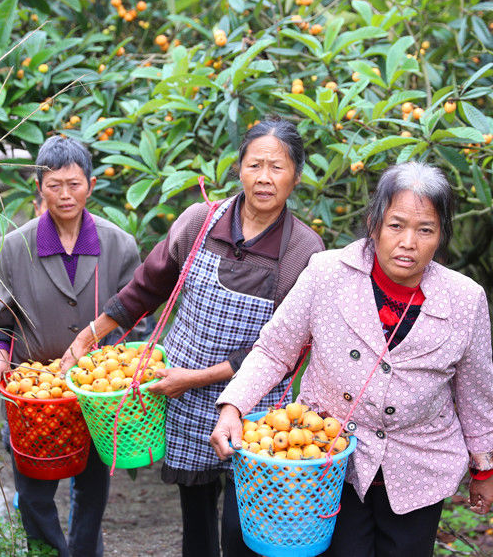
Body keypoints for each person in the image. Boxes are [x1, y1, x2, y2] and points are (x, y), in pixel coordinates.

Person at [63, 117, 325, 557]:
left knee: (246, 521)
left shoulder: (304, 250)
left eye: (277, 168)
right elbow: (147, 286)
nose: (264, 178)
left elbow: (285, 349)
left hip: (257, 402)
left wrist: (195, 378)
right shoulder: (201, 221)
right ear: (238, 168)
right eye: (255, 164)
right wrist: (91, 335)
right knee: (197, 521)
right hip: (180, 388)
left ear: (296, 176)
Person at [211, 161, 493, 557]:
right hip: (329, 462)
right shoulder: (327, 273)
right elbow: (275, 349)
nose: (408, 242)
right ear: (374, 223)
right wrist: (233, 406)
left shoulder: (465, 300)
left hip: (421, 469)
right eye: (396, 225)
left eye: (425, 230)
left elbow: (476, 393)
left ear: (441, 237)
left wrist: (484, 469)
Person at [0, 135, 141, 557]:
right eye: (55, 185)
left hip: (94, 391)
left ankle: (84, 552)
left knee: (91, 488)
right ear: (40, 186)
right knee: (34, 494)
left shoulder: (119, 245)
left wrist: (121, 366)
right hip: (34, 395)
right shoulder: (15, 247)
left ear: (90, 184)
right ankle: (52, 551)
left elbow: (134, 316)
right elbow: (1, 321)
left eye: (74, 184)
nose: (65, 194)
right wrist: (0, 357)